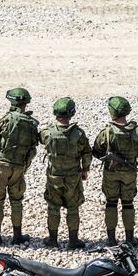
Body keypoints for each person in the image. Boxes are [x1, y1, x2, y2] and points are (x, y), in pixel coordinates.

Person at [91, 96, 138, 246]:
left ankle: (111, 239)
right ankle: (129, 239)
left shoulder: (107, 131)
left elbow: (97, 151)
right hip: (129, 172)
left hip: (111, 173)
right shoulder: (137, 131)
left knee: (111, 203)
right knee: (128, 203)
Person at [0, 88, 39, 245]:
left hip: (0, 165)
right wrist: (24, 167)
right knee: (17, 201)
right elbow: (32, 150)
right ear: (26, 103)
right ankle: (17, 236)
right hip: (18, 167)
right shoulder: (31, 124)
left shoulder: (4, 120)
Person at [39, 97, 92, 250]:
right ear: (72, 114)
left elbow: (41, 139)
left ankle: (53, 239)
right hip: (73, 176)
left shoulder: (48, 132)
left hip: (54, 175)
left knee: (53, 207)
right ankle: (73, 240)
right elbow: (86, 153)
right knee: (73, 207)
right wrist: (85, 169)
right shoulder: (79, 134)